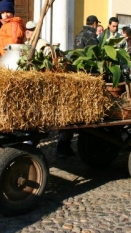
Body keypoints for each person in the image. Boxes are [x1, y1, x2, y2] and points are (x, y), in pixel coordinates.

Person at [56, 15, 100, 158]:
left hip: (78, 74)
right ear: (94, 24)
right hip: (88, 76)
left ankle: (63, 145)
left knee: (71, 114)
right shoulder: (91, 37)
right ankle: (67, 146)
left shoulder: (79, 35)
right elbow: (95, 57)